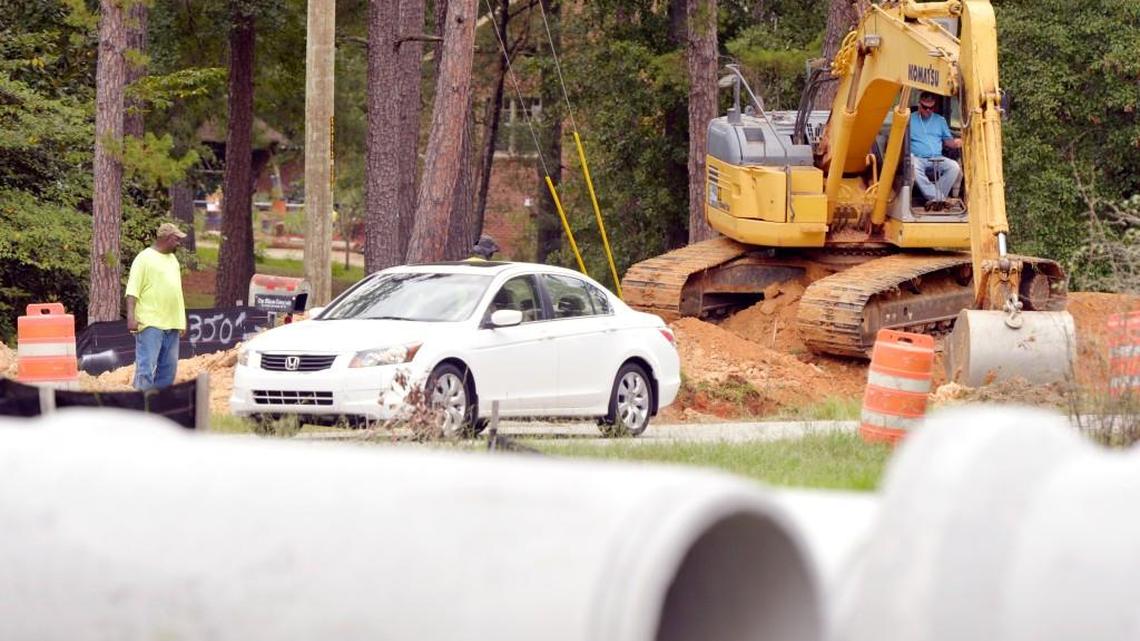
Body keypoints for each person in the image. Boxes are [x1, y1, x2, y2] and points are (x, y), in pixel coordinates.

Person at [125, 222, 187, 390]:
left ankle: (159, 406)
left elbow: (176, 291)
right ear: (167, 238)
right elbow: (132, 290)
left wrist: (181, 321)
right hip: (150, 323)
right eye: (176, 239)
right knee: (146, 368)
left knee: (168, 370)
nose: (178, 243)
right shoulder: (144, 258)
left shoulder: (173, 260)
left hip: (172, 323)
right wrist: (131, 317)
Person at [909, 91, 963, 210]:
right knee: (913, 166)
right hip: (918, 157)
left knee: (954, 166)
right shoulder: (910, 119)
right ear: (919, 105)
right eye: (925, 107)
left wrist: (958, 143)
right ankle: (939, 199)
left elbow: (948, 141)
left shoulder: (940, 120)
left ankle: (935, 199)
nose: (928, 110)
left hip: (937, 157)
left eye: (931, 108)